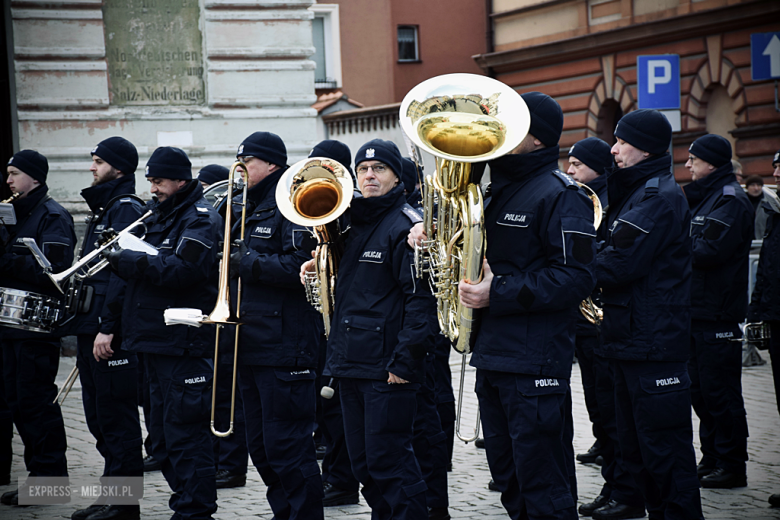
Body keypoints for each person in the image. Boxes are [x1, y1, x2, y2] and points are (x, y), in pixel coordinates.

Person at [458, 92, 597, 520]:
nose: (497, 132)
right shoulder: (494, 191)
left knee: (544, 486)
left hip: (535, 362)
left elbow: (576, 277)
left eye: (510, 124)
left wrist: (496, 292)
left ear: (537, 138)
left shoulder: (562, 195)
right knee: (510, 480)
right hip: (494, 356)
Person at [315, 138, 438, 520]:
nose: (369, 175)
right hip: (351, 363)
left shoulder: (406, 227)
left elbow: (421, 300)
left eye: (379, 168)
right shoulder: (353, 223)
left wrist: (404, 362)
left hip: (386, 369)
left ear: (396, 177)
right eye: (363, 169)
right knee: (365, 465)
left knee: (391, 463)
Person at [595, 109, 703, 520]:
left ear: (645, 149)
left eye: (622, 142)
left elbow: (617, 263)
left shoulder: (656, 197)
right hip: (632, 340)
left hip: (652, 344)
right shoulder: (638, 191)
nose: (614, 149)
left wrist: (567, 268)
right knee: (638, 451)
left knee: (665, 454)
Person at [104, 146, 222, 520]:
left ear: (180, 181)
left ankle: (195, 511)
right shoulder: (160, 214)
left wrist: (130, 260)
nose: (152, 188)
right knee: (162, 436)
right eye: (151, 181)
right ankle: (184, 503)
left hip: (182, 342)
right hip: (154, 340)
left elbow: (183, 270)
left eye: (158, 181)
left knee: (185, 434)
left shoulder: (199, 218)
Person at [231, 131, 324, 519]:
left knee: (289, 447)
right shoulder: (244, 206)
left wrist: (247, 262)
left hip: (286, 345)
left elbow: (302, 266)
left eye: (247, 162)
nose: (240, 169)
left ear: (271, 164)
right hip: (251, 342)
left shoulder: (291, 203)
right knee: (262, 448)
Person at [567, 138, 646, 519]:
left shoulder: (609, 200)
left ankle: (624, 490)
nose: (570, 170)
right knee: (599, 405)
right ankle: (613, 483)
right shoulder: (578, 197)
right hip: (586, 321)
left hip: (605, 320)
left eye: (577, 164)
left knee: (614, 413)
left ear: (598, 168)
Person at [70, 137, 145, 520]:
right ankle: (110, 494)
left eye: (98, 161)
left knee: (117, 419)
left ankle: (124, 505)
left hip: (107, 330)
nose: (92, 167)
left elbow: (121, 274)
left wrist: (108, 326)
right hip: (91, 325)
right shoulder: (106, 207)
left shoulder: (125, 207)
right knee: (99, 418)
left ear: (118, 167)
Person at [0, 150, 75, 507]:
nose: (9, 180)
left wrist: (6, 258)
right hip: (10, 326)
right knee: (16, 402)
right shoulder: (16, 214)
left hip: (36, 327)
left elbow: (55, 273)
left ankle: (50, 481)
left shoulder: (53, 216)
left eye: (15, 173)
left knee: (35, 404)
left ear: (35, 177)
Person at [683, 134, 753, 490]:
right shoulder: (707, 196)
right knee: (700, 392)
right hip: (698, 311)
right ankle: (711, 457)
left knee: (721, 393)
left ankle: (732, 464)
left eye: (693, 159)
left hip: (718, 314)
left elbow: (708, 250)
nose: (687, 165)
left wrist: (673, 243)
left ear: (711, 162)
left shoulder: (730, 200)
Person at [305, 139, 362, 508]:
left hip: (349, 321)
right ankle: (336, 476)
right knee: (326, 404)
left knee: (339, 405)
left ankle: (342, 481)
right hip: (325, 318)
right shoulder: (317, 206)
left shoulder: (354, 209)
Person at [747, 149, 780, 507]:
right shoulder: (774, 211)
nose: (776, 173)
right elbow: (768, 268)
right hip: (775, 315)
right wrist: (757, 310)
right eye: (775, 167)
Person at [745, 175, 770, 239]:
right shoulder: (741, 202)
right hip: (744, 240)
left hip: (762, 240)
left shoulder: (768, 203)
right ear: (747, 187)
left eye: (759, 185)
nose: (756, 188)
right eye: (752, 185)